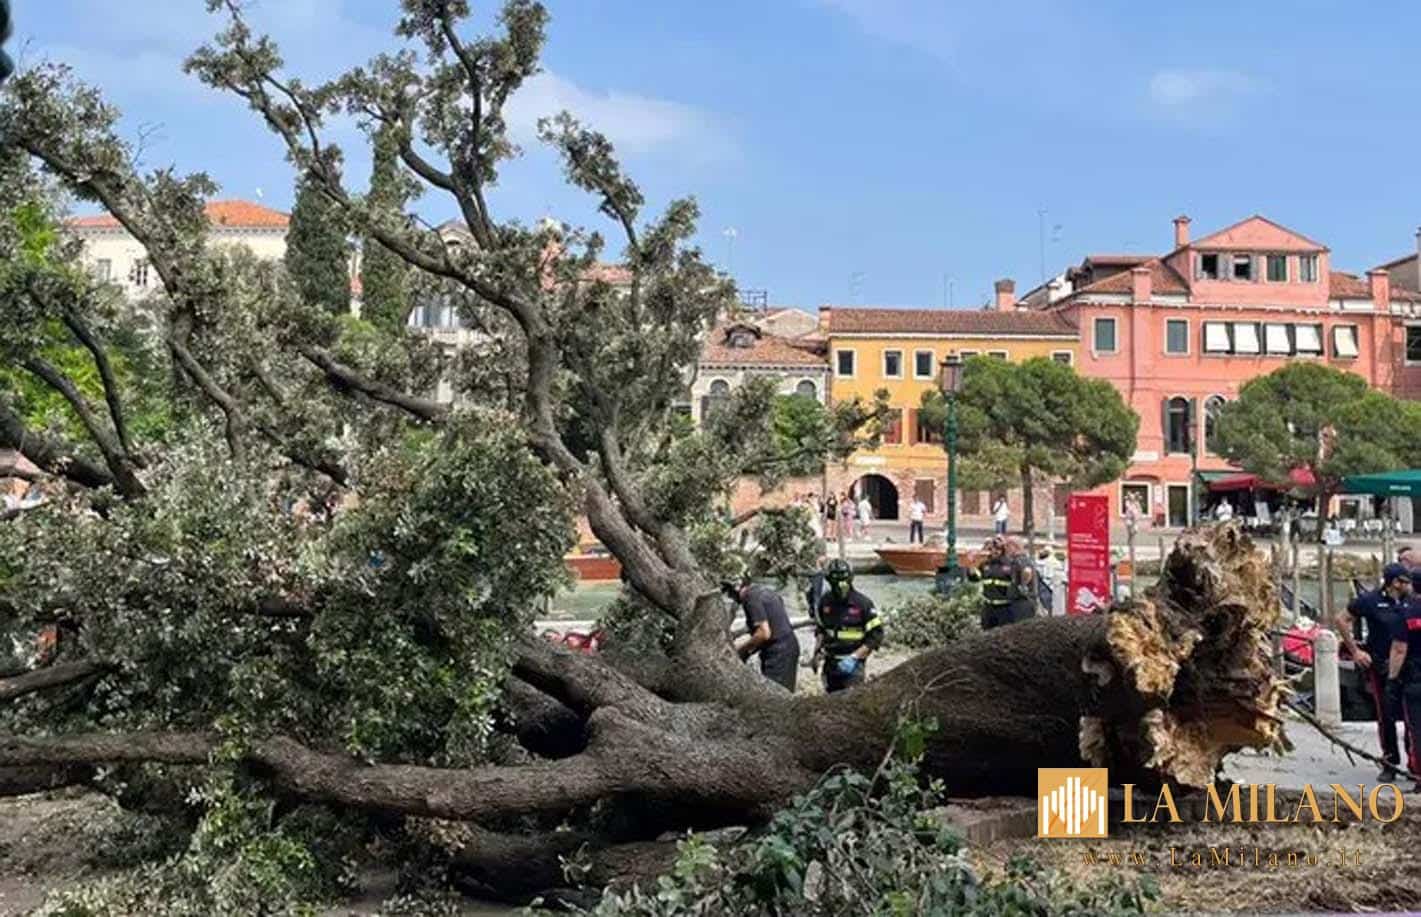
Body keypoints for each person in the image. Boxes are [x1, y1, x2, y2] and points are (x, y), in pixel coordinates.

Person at [1337, 562, 1412, 780]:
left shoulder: (1412, 601)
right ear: (1393, 583)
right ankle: (1389, 762)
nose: (1407, 586)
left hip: (1407, 666)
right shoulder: (1370, 601)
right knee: (1385, 714)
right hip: (1379, 664)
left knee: (1411, 716)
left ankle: (1414, 763)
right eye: (1403, 582)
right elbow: (1342, 619)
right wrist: (1355, 651)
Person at [813, 559, 883, 692]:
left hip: (854, 664)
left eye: (843, 583)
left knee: (852, 702)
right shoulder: (825, 602)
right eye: (836, 584)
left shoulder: (863, 604)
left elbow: (876, 635)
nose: (840, 587)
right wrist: (816, 654)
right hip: (831, 663)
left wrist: (854, 657)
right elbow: (821, 630)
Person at [724, 578, 801, 691]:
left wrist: (742, 650)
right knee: (784, 694)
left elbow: (764, 633)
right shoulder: (765, 591)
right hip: (788, 647)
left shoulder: (750, 598)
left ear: (736, 587)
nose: (730, 597)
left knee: (776, 695)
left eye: (729, 592)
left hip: (778, 652)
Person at [1387, 590, 1421, 791]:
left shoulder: (1407, 614)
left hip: (1415, 679)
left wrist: (1392, 679)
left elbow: (1399, 649)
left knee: (1417, 730)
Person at [977, 537, 1015, 629]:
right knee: (986, 635)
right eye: (993, 549)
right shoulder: (985, 564)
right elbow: (975, 578)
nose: (995, 551)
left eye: (998, 549)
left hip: (1005, 607)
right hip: (988, 607)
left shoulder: (1010, 564)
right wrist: (970, 566)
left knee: (1005, 635)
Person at [1003, 537, 1038, 624]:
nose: (1006, 549)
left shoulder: (1020, 559)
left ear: (1014, 546)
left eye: (1007, 546)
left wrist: (1023, 585)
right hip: (1020, 601)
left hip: (1023, 602)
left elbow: (1027, 571)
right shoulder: (1018, 560)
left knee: (1021, 628)